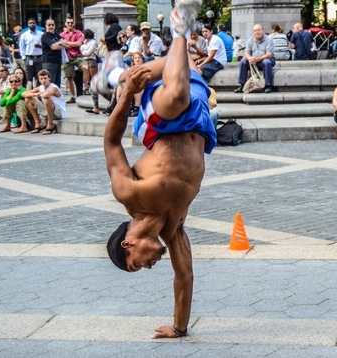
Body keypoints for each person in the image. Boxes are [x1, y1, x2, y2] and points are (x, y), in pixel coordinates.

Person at [101, 0, 216, 339]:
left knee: (176, 89)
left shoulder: (129, 193)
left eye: (138, 263)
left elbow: (111, 145)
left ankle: (175, 29)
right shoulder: (173, 229)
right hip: (199, 121)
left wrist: (125, 100)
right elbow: (185, 276)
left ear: (128, 244)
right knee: (187, 69)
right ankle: (113, 74)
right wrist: (179, 328)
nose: (149, 266)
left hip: (162, 121)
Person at [234, 24, 275, 94]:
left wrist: (257, 59)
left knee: (266, 62)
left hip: (266, 60)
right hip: (254, 61)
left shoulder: (269, 40)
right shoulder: (250, 40)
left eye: (259, 30)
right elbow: (246, 53)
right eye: (255, 31)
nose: (257, 32)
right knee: (243, 61)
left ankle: (268, 86)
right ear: (253, 32)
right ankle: (242, 85)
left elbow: (269, 55)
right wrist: (250, 58)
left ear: (263, 30)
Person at [23, 69, 66, 135]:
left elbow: (46, 95)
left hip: (58, 112)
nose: (43, 80)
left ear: (49, 78)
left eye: (45, 78)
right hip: (47, 110)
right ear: (39, 80)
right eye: (41, 78)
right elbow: (23, 94)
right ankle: (38, 123)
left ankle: (50, 124)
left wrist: (39, 94)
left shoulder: (53, 87)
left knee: (47, 99)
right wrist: (34, 94)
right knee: (28, 99)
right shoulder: (40, 87)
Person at [60, 16, 90, 102]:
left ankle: (86, 86)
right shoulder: (62, 34)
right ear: (65, 24)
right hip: (67, 58)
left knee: (86, 67)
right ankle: (73, 96)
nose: (70, 24)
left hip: (77, 56)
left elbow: (79, 43)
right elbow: (62, 45)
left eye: (71, 22)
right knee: (69, 78)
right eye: (68, 22)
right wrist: (72, 44)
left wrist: (67, 43)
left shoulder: (78, 33)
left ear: (74, 23)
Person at [41, 18, 67, 87]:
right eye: (49, 25)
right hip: (49, 62)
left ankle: (56, 97)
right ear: (46, 26)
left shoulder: (55, 34)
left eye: (52, 25)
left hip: (57, 62)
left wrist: (58, 44)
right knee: (50, 84)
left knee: (57, 84)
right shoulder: (45, 36)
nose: (51, 27)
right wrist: (60, 43)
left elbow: (65, 42)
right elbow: (53, 47)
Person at [19, 18, 44, 89]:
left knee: (39, 76)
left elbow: (45, 46)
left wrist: (40, 46)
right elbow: (22, 47)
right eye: (30, 23)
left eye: (33, 23)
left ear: (36, 24)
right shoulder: (24, 35)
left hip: (39, 57)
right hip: (29, 57)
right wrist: (24, 58)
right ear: (28, 24)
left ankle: (38, 94)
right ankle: (29, 94)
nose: (32, 24)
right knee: (28, 77)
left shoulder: (41, 34)